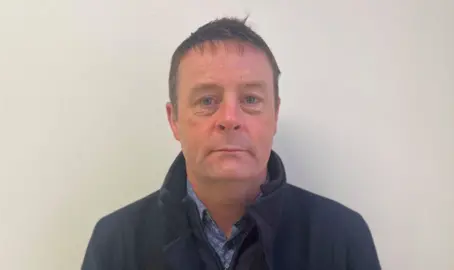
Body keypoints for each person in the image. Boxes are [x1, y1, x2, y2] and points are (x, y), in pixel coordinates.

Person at [81, 17, 381, 270]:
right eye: (207, 100)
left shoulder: (342, 238)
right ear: (174, 120)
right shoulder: (116, 243)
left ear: (275, 114)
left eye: (250, 99)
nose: (229, 118)